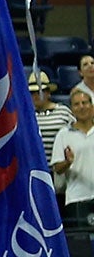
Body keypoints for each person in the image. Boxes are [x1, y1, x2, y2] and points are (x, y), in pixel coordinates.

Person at [50, 84, 94, 229]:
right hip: (77, 199)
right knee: (82, 248)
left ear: (92, 106)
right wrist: (68, 162)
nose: (81, 107)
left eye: (84, 103)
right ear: (72, 110)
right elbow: (57, 168)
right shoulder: (64, 134)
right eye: (76, 104)